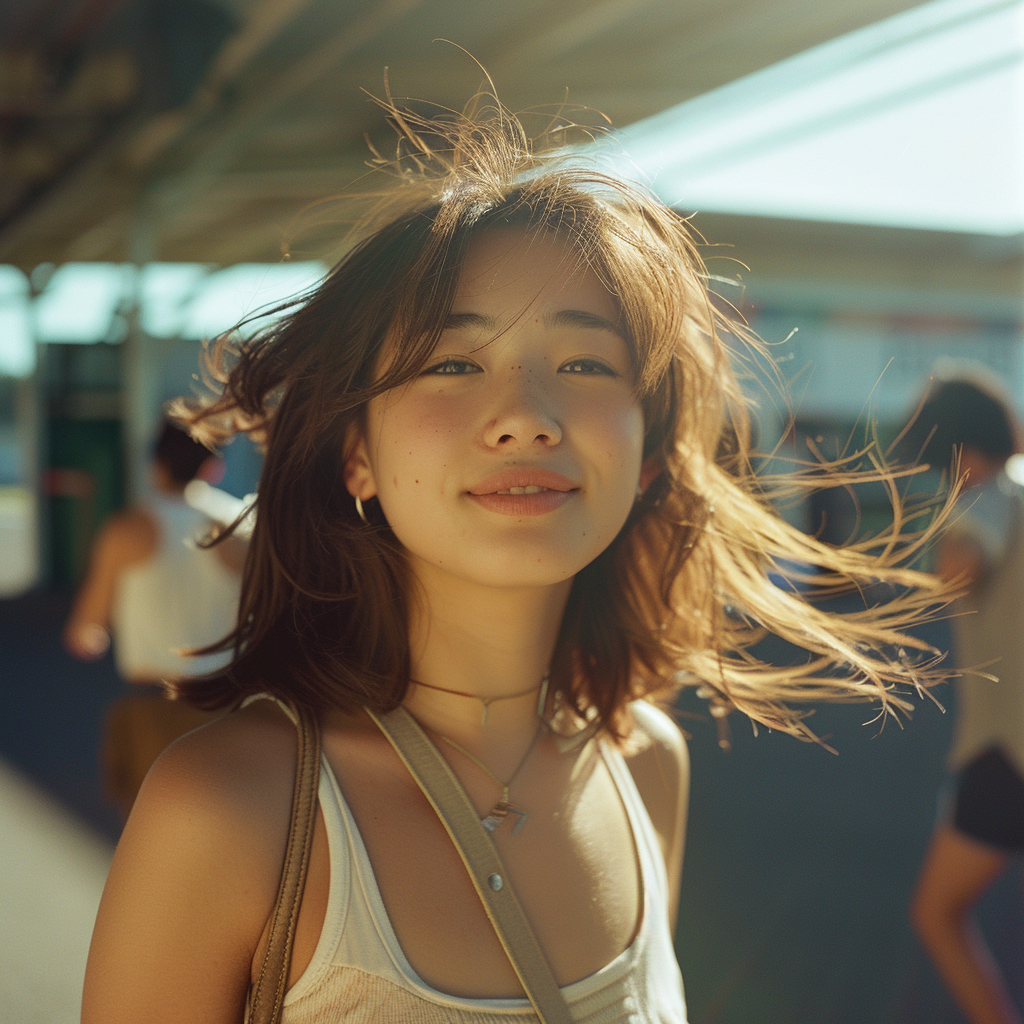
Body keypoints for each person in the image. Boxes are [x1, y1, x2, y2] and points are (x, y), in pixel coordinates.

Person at [81, 92, 951, 1023]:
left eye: (584, 365)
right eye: (451, 364)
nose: (528, 413)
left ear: (648, 452)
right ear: (356, 453)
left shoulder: (649, 766)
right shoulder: (227, 810)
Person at [906, 372, 1024, 1024]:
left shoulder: (987, 494)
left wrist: (932, 550)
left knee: (936, 911)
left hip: (1007, 751)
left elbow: (961, 569)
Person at [65, 419, 245, 818]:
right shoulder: (243, 527)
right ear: (212, 467)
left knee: (151, 839)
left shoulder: (125, 530)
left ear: (155, 464)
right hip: (233, 707)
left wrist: (94, 635)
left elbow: (85, 628)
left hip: (154, 710)